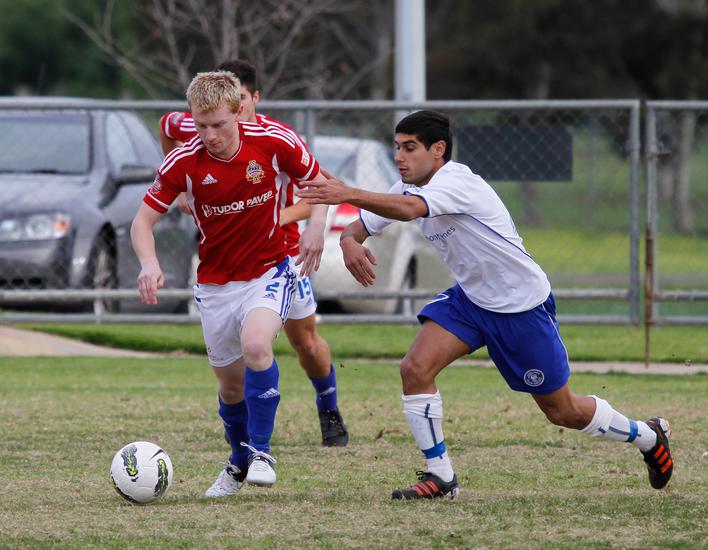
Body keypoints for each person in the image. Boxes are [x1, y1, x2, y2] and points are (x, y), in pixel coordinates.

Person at [298, 110, 673, 500]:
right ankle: (441, 477)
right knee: (414, 368)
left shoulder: (457, 183)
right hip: (472, 299)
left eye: (410, 148)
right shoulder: (409, 185)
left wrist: (345, 192)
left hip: (520, 305)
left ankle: (647, 436)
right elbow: (367, 220)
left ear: (438, 150)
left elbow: (408, 210)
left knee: (562, 411)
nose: (399, 157)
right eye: (396, 147)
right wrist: (348, 240)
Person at [131, 71, 330, 497]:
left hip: (269, 270)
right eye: (201, 126)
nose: (210, 135)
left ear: (239, 110)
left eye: (219, 124)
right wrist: (148, 263)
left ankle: (262, 452)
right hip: (216, 283)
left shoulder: (275, 141)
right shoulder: (183, 161)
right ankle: (238, 463)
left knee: (258, 345)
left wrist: (316, 227)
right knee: (230, 386)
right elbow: (142, 221)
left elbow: (318, 183)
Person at [158, 60, 349, 452]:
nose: (235, 111)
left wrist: (278, 215)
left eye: (242, 101)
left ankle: (328, 407)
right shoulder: (202, 127)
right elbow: (166, 126)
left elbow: (324, 186)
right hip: (229, 262)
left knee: (306, 342)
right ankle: (250, 446)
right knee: (247, 352)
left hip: (285, 253)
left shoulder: (274, 137)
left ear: (252, 99)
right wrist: (180, 192)